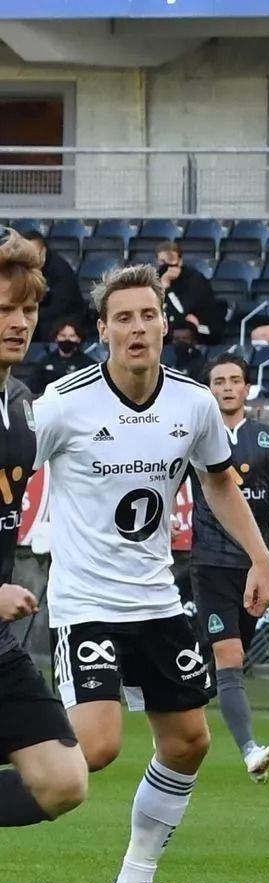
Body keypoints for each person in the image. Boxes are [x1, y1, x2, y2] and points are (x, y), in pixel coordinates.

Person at [32, 264, 269, 883]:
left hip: (156, 602)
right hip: (86, 603)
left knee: (189, 741)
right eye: (124, 318)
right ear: (102, 330)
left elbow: (218, 482)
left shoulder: (193, 404)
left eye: (148, 315)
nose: (137, 327)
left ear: (165, 326)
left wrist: (260, 556)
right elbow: (11, 468)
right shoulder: (64, 402)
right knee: (95, 748)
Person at [0, 228, 89, 829]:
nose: (20, 322)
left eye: (29, 309)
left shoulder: (21, 407)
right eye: (5, 309)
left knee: (63, 781)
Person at [191, 352, 269, 781]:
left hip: (257, 567)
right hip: (212, 562)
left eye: (234, 380)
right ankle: (251, 751)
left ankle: (178, 696)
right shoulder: (195, 436)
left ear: (247, 388)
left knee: (226, 663)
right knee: (229, 655)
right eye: (218, 381)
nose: (227, 388)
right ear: (208, 391)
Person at [19, 229, 84, 344]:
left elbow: (62, 305)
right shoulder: (19, 268)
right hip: (35, 312)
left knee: (45, 326)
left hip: (65, 315)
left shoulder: (60, 269)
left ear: (43, 251)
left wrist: (31, 313)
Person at [156, 241, 224, 346]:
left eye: (170, 260)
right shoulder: (155, 279)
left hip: (202, 330)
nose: (166, 266)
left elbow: (182, 310)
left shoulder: (195, 280)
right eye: (162, 262)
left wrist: (167, 287)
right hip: (170, 329)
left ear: (180, 261)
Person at [29, 317, 92, 395]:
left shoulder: (88, 365)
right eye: (63, 335)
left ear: (79, 339)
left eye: (72, 336)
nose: (67, 339)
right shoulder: (45, 362)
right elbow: (32, 388)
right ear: (56, 338)